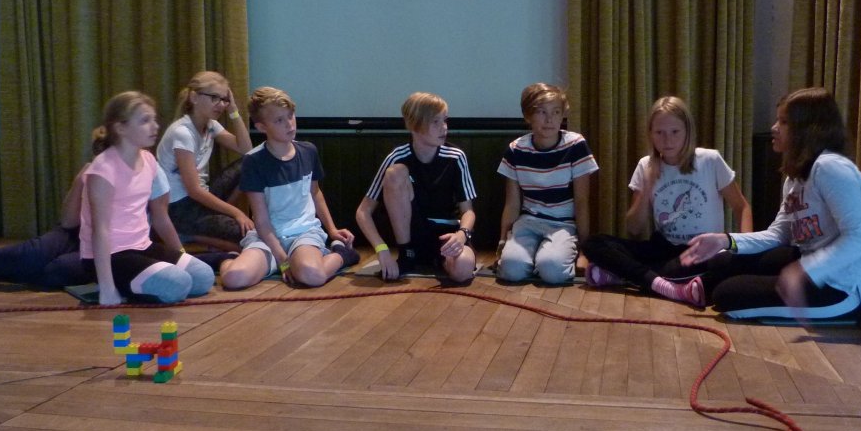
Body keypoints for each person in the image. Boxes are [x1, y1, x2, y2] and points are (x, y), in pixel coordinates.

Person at [679, 87, 861, 322]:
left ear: (808, 129)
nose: (774, 128)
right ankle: (701, 286)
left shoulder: (830, 168)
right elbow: (778, 235)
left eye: (784, 122)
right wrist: (725, 240)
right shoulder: (794, 179)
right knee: (722, 261)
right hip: (813, 263)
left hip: (848, 289)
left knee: (727, 295)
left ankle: (706, 289)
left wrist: (805, 270)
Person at [582, 96, 753, 303]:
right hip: (663, 248)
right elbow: (634, 228)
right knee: (594, 244)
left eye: (675, 132)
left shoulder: (710, 160)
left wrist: (744, 249)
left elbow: (741, 206)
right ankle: (664, 286)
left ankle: (626, 275)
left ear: (687, 131)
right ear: (651, 134)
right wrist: (646, 187)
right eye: (659, 133)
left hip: (701, 250)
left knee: (720, 266)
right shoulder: (645, 165)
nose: (667, 140)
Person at [0, 157, 176, 291]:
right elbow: (68, 221)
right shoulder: (99, 172)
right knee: (34, 253)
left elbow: (161, 216)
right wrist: (80, 181)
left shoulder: (150, 169)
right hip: (77, 233)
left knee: (56, 271)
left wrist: (179, 256)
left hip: (114, 248)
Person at [81, 91, 215, 306]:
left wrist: (177, 254)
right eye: (145, 121)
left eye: (154, 119)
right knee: (178, 284)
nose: (155, 126)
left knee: (203, 277)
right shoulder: (103, 169)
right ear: (121, 128)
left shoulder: (148, 160)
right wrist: (107, 288)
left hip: (141, 246)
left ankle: (144, 282)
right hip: (112, 255)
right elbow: (100, 229)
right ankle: (120, 284)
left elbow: (160, 215)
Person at [218, 87, 359, 289]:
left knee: (312, 275)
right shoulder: (253, 161)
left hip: (303, 232)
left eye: (290, 116)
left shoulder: (308, 151)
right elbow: (261, 220)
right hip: (267, 236)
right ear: (261, 127)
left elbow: (315, 193)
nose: (289, 124)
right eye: (279, 120)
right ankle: (228, 259)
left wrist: (332, 229)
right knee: (234, 278)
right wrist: (283, 259)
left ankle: (342, 254)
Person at [355, 92, 477, 283]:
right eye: (435, 122)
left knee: (462, 270)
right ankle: (407, 255)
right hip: (412, 236)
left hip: (446, 235)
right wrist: (381, 249)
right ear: (415, 125)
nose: (444, 127)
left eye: (445, 120)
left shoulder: (455, 157)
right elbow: (363, 212)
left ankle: (441, 261)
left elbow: (468, 211)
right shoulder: (397, 157)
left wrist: (462, 234)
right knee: (395, 173)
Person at [495, 83, 598, 283]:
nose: (549, 119)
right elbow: (512, 203)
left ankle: (547, 258)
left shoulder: (575, 145)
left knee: (552, 270)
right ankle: (532, 258)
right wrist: (502, 242)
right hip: (528, 222)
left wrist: (585, 250)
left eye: (556, 112)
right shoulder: (516, 149)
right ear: (528, 116)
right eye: (541, 112)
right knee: (511, 269)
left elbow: (582, 200)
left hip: (563, 224)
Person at [156, 70, 254, 248]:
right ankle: (186, 232)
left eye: (224, 99)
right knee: (248, 237)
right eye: (214, 97)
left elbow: (246, 150)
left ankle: (210, 224)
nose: (221, 105)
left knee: (250, 163)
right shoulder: (182, 132)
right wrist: (237, 213)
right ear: (194, 97)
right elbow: (193, 190)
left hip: (200, 199)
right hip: (180, 208)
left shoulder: (211, 125)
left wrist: (234, 111)